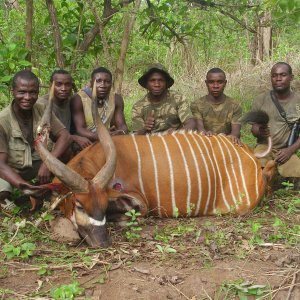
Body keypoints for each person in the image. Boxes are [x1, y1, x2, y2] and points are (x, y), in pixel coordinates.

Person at [0, 70, 71, 210]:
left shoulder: (42, 108)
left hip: (37, 165)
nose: (27, 97)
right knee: (2, 193)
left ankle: (40, 191)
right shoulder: (2, 120)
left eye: (33, 92)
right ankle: (23, 194)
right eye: (22, 92)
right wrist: (24, 186)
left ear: (38, 93)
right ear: (13, 92)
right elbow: (1, 165)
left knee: (67, 152)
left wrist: (47, 163)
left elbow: (65, 136)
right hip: (11, 169)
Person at [251, 62, 300, 180]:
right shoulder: (260, 99)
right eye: (274, 75)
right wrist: (259, 131)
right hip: (264, 147)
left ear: (291, 77)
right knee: (254, 169)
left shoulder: (298, 100)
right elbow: (254, 129)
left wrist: (290, 150)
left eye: (283, 75)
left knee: (296, 176)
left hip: (286, 149)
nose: (278, 79)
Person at [132, 63, 195, 134]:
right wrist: (145, 128)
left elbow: (191, 123)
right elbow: (136, 135)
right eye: (152, 80)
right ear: (146, 84)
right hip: (150, 142)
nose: (157, 84)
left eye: (161, 80)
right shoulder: (138, 106)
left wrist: (176, 134)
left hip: (175, 140)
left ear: (166, 83)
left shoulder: (178, 99)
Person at [38, 69, 92, 151]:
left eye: (67, 85)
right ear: (50, 86)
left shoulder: (70, 101)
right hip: (48, 147)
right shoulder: (42, 104)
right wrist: (75, 138)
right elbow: (48, 136)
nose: (63, 88)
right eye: (59, 84)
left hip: (67, 141)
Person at [71, 67, 128, 142]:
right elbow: (80, 129)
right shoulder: (79, 99)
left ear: (111, 84)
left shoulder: (116, 99)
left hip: (106, 138)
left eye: (107, 82)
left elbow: (121, 125)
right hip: (85, 140)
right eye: (98, 81)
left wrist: (121, 132)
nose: (103, 85)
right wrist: (102, 136)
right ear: (91, 83)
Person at [191, 68, 242, 145]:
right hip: (205, 141)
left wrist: (232, 136)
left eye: (220, 82)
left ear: (225, 83)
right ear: (206, 83)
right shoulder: (197, 105)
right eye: (211, 82)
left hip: (227, 142)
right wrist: (208, 135)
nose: (215, 86)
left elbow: (235, 132)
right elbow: (200, 129)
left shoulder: (235, 105)